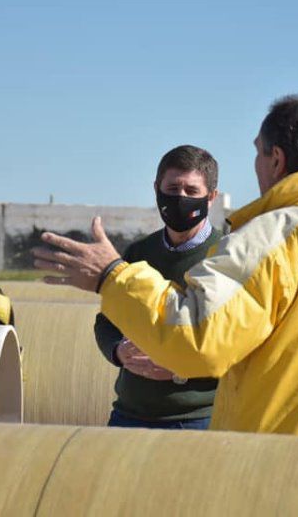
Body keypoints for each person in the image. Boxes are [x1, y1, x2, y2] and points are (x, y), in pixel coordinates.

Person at [34, 94, 298, 439]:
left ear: (276, 159)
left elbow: (196, 338)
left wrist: (111, 277)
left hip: (279, 471)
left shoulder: (272, 238)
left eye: (258, 152)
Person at [94, 145, 222, 430]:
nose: (181, 198)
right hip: (128, 414)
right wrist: (118, 351)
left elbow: (238, 342)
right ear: (157, 189)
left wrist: (182, 369)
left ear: (211, 197)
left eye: (192, 191)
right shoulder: (139, 251)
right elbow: (106, 320)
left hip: (197, 420)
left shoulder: (227, 254)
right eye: (173, 188)